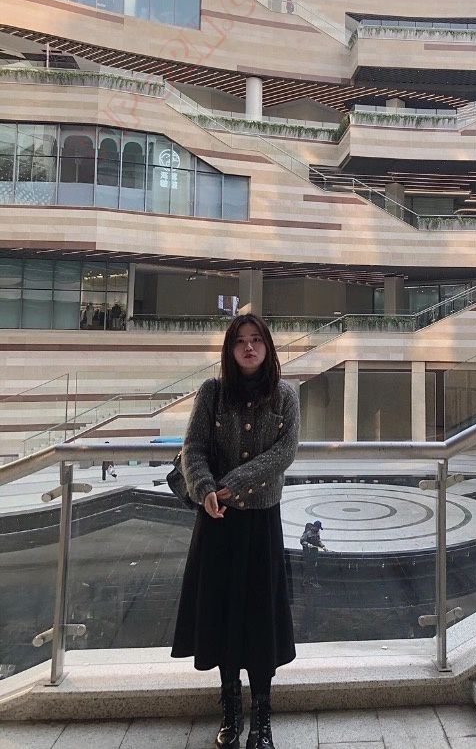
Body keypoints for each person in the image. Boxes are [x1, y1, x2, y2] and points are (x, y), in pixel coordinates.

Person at [171, 313, 299, 749]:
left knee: (260, 620)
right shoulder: (211, 392)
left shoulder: (285, 396)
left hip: (261, 522)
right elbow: (193, 448)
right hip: (218, 522)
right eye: (240, 340)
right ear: (229, 349)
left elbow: (284, 453)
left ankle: (262, 717)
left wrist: (234, 484)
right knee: (223, 616)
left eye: (256, 340)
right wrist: (205, 488)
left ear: (267, 347)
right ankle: (230, 709)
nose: (248, 347)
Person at [300, 520, 326, 588]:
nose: (318, 530)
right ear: (315, 526)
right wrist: (308, 544)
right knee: (310, 567)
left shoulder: (317, 532)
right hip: (308, 553)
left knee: (313, 567)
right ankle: (310, 582)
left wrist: (322, 546)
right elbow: (302, 541)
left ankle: (308, 581)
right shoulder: (308, 533)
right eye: (318, 528)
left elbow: (318, 540)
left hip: (314, 552)